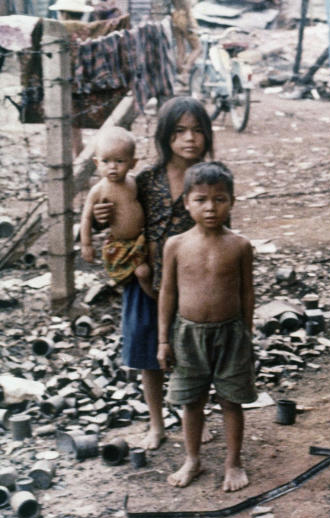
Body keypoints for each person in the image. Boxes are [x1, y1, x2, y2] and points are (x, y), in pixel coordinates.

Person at [93, 96, 214, 451]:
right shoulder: (144, 179)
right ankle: (157, 423)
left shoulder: (210, 180)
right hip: (145, 281)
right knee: (149, 355)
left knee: (193, 354)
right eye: (179, 131)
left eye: (196, 131)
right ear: (164, 136)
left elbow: (222, 228)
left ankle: (195, 416)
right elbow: (116, 215)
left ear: (207, 135)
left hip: (192, 282)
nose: (189, 139)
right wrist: (101, 217)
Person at [157, 161, 256, 492]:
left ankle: (233, 462)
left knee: (231, 401)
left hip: (231, 334)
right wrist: (163, 340)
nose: (211, 208)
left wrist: (247, 333)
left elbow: (246, 292)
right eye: (201, 199)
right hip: (187, 336)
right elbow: (167, 293)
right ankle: (193, 459)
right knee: (192, 401)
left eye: (220, 199)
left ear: (232, 201)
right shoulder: (175, 244)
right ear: (186, 202)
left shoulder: (240, 246)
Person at [79, 127, 153, 297]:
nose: (112, 167)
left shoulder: (134, 183)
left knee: (144, 271)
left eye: (119, 161)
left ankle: (157, 301)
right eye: (106, 161)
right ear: (97, 163)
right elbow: (86, 218)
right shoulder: (99, 190)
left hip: (141, 241)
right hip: (120, 243)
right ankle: (154, 299)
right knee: (141, 273)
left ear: (132, 163)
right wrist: (86, 244)